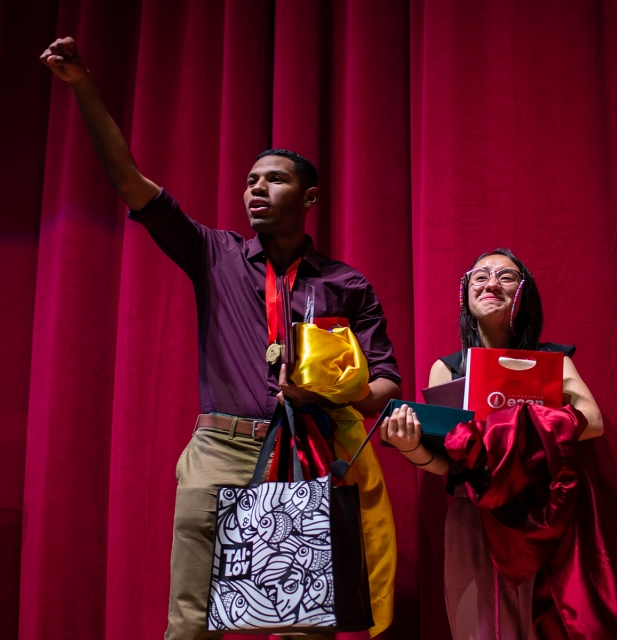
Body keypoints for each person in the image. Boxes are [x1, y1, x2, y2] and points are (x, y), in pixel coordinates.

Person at [40, 37, 403, 640]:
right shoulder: (215, 255)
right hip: (219, 451)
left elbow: (386, 387)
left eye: (276, 181)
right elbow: (128, 179)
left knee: (303, 625)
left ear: (309, 199)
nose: (257, 189)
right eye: (252, 180)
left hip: (306, 456)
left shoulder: (346, 283)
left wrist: (327, 393)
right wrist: (83, 86)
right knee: (190, 620)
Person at [380, 248, 608, 639]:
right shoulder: (448, 368)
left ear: (524, 294)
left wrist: (508, 427)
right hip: (473, 512)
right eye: (480, 275)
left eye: (506, 276)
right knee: (479, 625)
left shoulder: (551, 360)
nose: (491, 283)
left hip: (541, 512)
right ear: (466, 293)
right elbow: (443, 464)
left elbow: (594, 421)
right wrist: (408, 445)